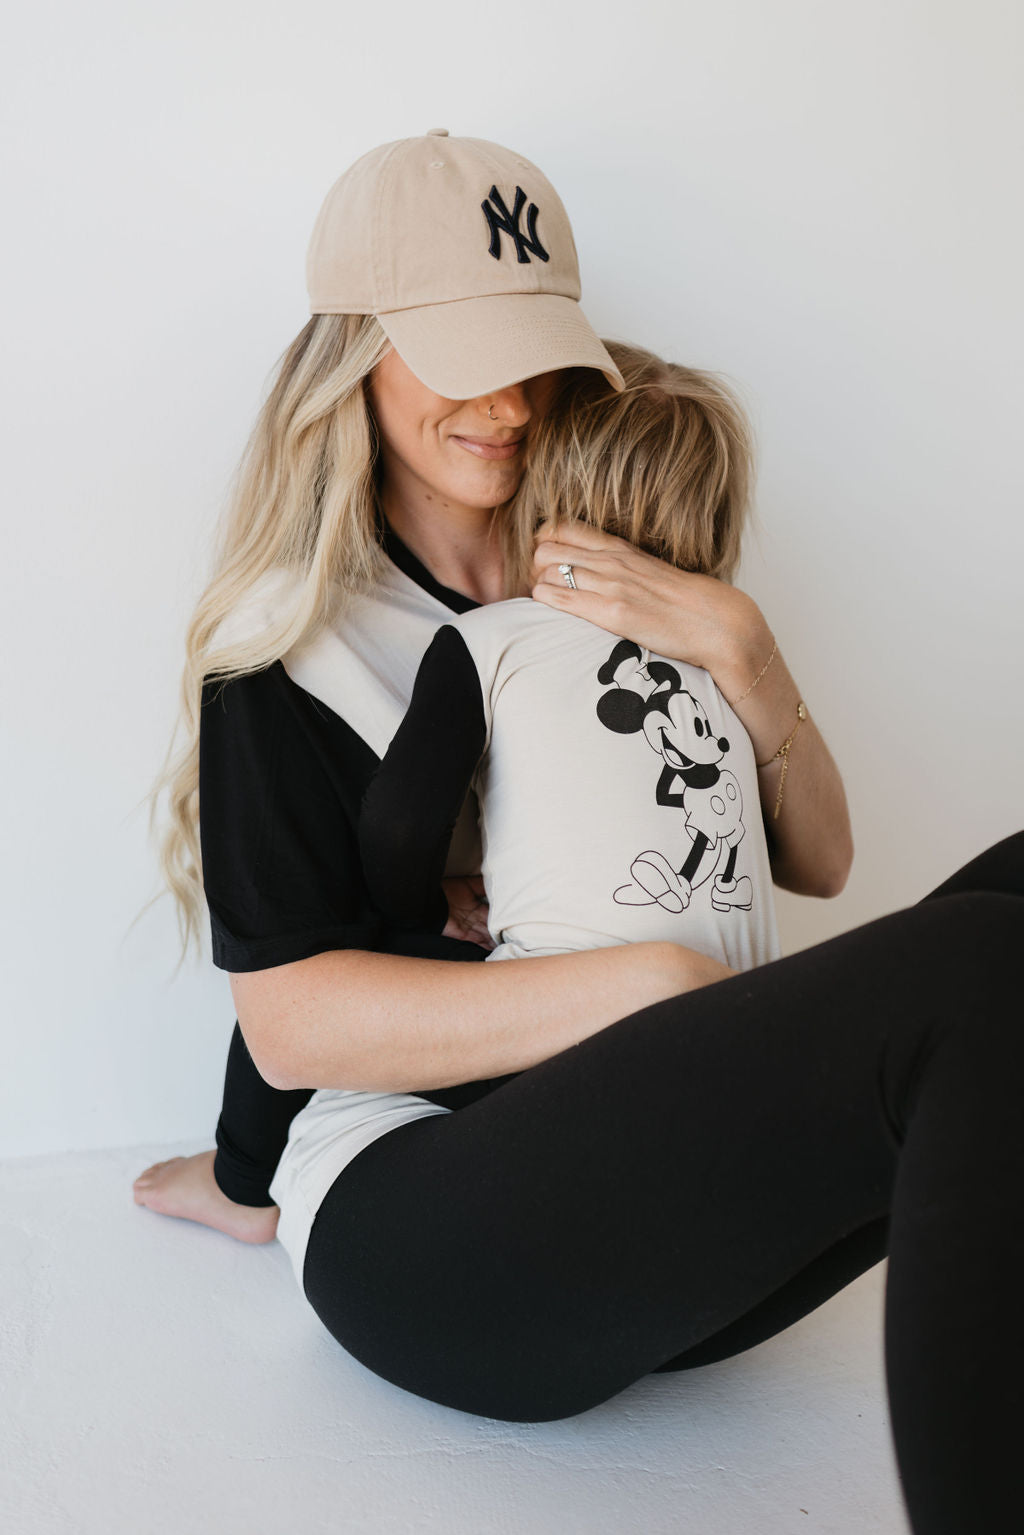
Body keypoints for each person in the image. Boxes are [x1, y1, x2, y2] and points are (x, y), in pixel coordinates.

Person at [133, 132, 1023, 1535]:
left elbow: (822, 858)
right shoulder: (288, 657)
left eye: (532, 350)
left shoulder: (612, 550)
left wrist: (743, 643)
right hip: (434, 1235)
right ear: (353, 355)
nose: (505, 401)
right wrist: (656, 982)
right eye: (457, 352)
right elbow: (294, 1020)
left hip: (652, 1229)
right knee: (981, 979)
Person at [359, 341, 782, 973]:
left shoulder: (489, 641)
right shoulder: (730, 666)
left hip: (570, 1027)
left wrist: (425, 910)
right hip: (752, 1009)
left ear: (532, 489)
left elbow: (395, 832)